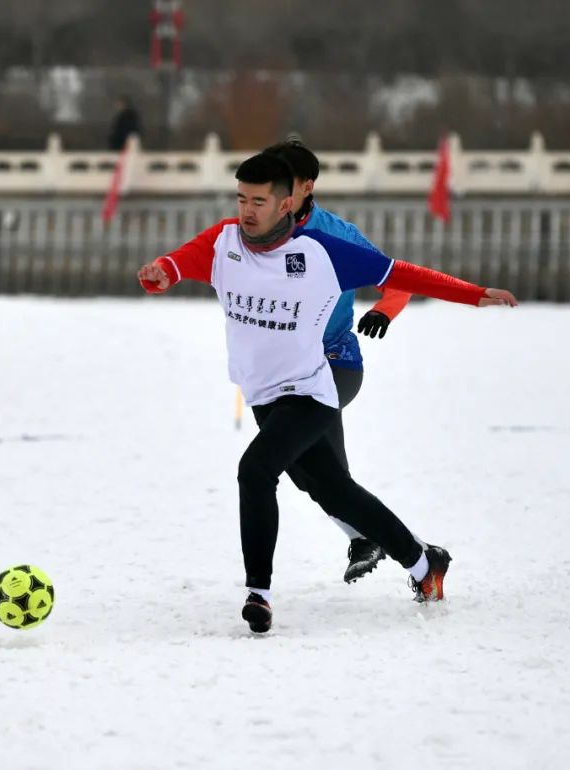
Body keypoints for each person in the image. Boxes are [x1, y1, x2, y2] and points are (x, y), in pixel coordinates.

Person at [137, 152, 516, 633]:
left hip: (313, 392)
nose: (247, 210)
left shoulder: (322, 251)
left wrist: (474, 293)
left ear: (287, 202)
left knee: (255, 471)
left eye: (259, 200)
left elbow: (402, 274)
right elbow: (177, 264)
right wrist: (160, 275)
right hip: (263, 396)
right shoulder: (223, 241)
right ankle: (424, 563)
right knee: (334, 492)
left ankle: (259, 594)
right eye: (241, 199)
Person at [264, 139, 414, 584]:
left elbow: (400, 281)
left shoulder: (338, 236)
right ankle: (404, 548)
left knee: (289, 457)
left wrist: (383, 310)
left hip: (336, 364)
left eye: (281, 183)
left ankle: (380, 542)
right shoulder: (255, 235)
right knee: (319, 474)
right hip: (287, 373)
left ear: (306, 187)